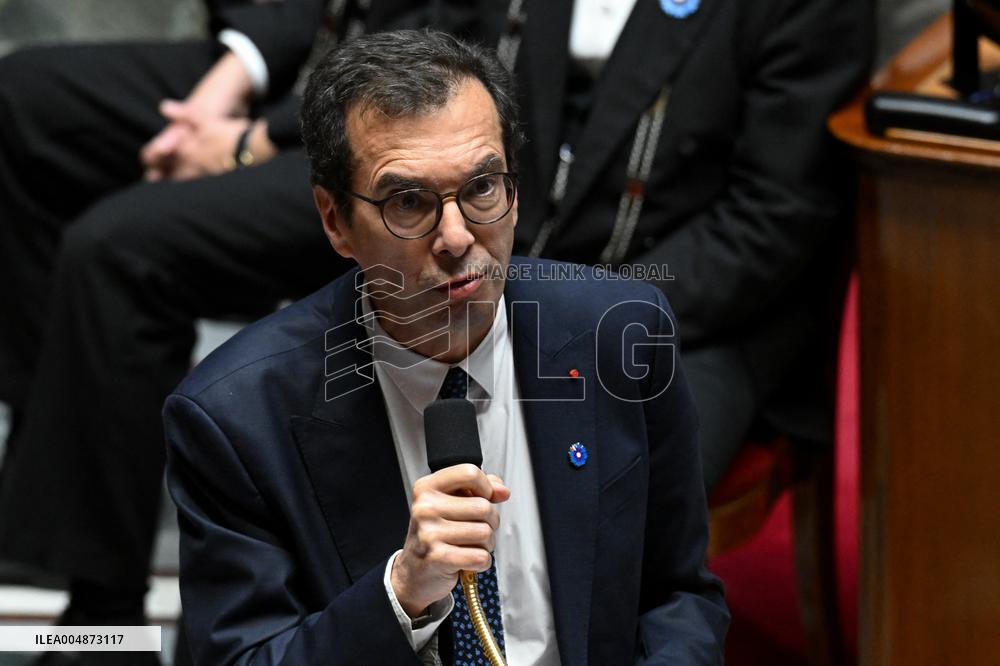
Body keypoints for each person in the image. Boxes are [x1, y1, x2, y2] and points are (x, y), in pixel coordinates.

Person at [164, 29, 728, 665]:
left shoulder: (620, 333)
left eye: (482, 187)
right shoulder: (236, 416)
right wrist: (401, 592)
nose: (457, 238)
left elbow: (678, 596)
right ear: (335, 220)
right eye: (409, 202)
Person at [0, 0, 423, 635]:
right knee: (24, 101)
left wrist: (249, 143)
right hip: (296, 58)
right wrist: (223, 88)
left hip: (393, 110)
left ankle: (103, 618)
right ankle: (53, 481)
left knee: (118, 248)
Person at [441, 0, 872, 491]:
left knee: (595, 492)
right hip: (496, 269)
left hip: (690, 311)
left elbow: (772, 217)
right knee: (382, 433)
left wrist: (574, 317)